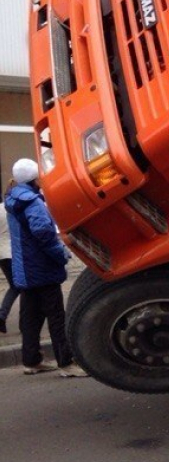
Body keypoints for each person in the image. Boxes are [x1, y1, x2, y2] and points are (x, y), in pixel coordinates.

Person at [4, 158, 87, 376]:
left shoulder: (12, 199)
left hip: (24, 269)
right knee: (56, 316)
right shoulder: (32, 202)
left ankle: (31, 361)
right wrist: (61, 255)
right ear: (34, 179)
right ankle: (66, 364)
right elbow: (43, 233)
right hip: (42, 269)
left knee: (30, 317)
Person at [0, 199, 20, 333]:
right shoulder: (7, 208)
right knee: (18, 286)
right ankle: (2, 316)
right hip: (11, 252)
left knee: (16, 286)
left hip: (2, 253)